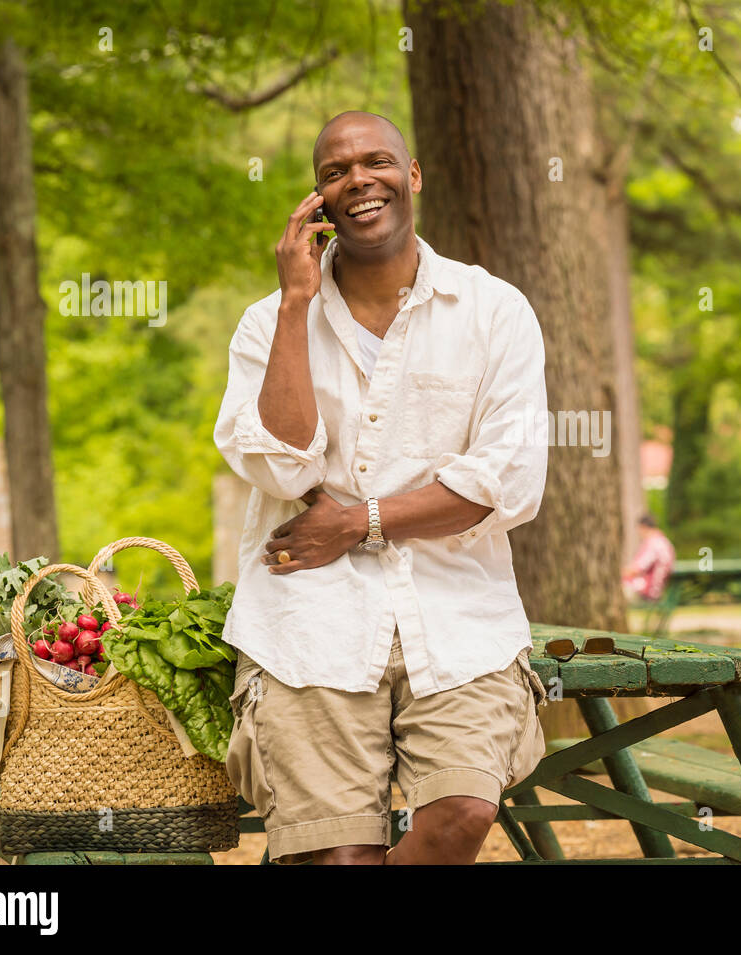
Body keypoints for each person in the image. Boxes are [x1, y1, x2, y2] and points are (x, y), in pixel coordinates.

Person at [213, 111, 549, 865]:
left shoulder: (493, 311)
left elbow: (508, 479)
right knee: (337, 857)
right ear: (318, 201)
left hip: (461, 620)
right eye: (335, 172)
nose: (358, 180)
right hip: (309, 625)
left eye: (376, 162)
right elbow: (285, 466)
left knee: (463, 810)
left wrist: (359, 521)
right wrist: (296, 303)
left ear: (414, 174)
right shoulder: (267, 323)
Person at [622, 513, 675, 603]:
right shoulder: (664, 541)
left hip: (648, 591)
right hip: (657, 589)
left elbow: (636, 570)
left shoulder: (653, 544)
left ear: (643, 527)